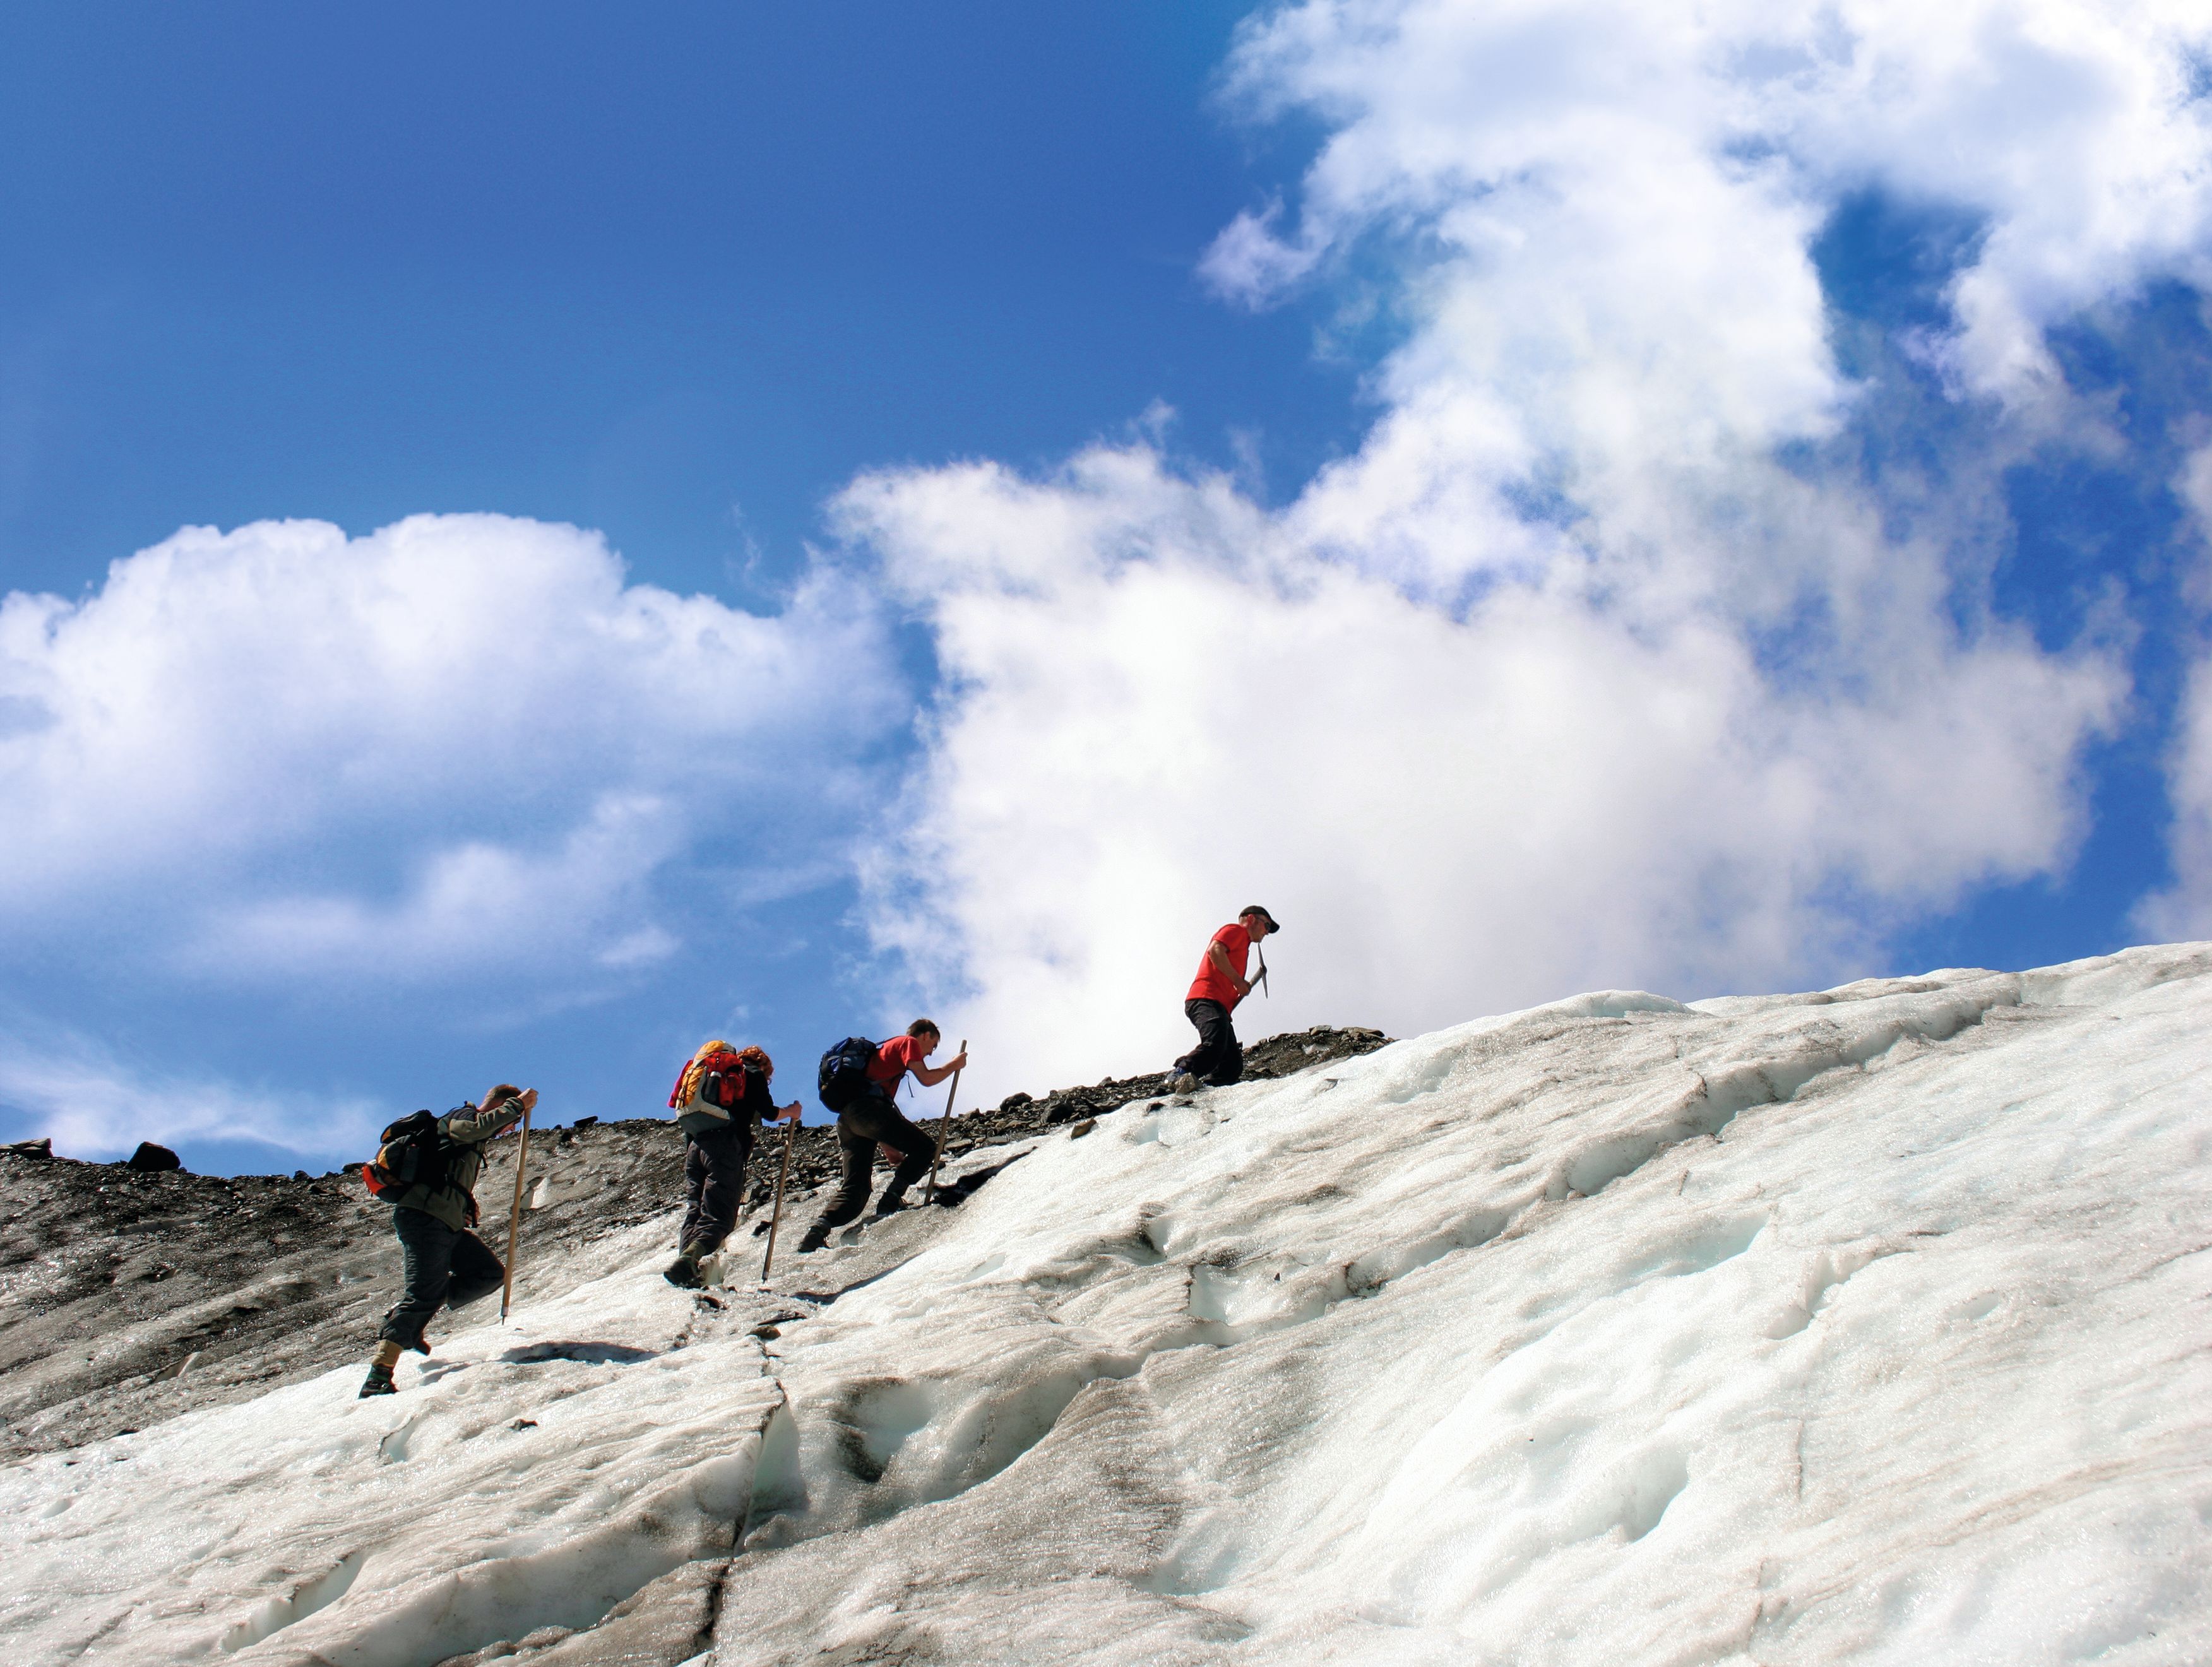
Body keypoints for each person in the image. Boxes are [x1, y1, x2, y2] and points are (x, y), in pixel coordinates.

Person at [360, 1084, 536, 1399]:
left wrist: (463, 1201)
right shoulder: (461, 1117)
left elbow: (448, 1173)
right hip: (426, 1219)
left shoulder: (472, 1137)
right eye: (511, 1123)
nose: (508, 1130)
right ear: (500, 1105)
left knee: (489, 1274)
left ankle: (409, 1321)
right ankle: (378, 1375)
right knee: (422, 1295)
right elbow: (473, 1128)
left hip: (447, 1222)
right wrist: (518, 1107)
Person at [795, 1020, 968, 1254]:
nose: (930, 1053)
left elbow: (879, 1106)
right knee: (926, 1148)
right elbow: (926, 1079)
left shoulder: (883, 1053)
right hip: (869, 1111)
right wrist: (953, 1066)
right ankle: (892, 1198)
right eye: (933, 1046)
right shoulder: (908, 1043)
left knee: (856, 1189)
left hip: (848, 1119)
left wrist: (890, 1148)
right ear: (925, 1035)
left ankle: (817, 1232)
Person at [663, 1040, 802, 1289]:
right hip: (725, 1146)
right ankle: (689, 1260)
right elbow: (769, 1113)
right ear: (763, 1065)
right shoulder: (751, 1074)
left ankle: (687, 1269)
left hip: (696, 1147)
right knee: (720, 1216)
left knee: (695, 1209)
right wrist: (791, 1112)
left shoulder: (707, 1078)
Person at [1172, 905, 1280, 1093]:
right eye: (1267, 926)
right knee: (1215, 1045)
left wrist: (1228, 1006)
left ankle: (1206, 1090)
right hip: (1205, 997)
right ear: (1252, 919)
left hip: (1218, 1005)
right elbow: (1215, 951)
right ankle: (1180, 1074)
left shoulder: (1243, 945)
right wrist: (1239, 982)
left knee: (1232, 1065)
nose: (1267, 932)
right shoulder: (1236, 931)